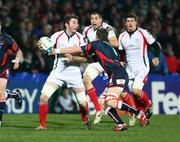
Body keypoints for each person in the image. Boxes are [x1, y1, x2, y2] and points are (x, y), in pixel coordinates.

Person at [49, 28, 148, 131]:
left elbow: (76, 49)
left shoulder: (96, 44)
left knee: (110, 101)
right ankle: (121, 124)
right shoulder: (106, 47)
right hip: (117, 73)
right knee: (102, 102)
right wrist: (74, 58)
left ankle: (139, 114)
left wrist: (56, 50)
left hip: (117, 74)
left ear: (97, 36)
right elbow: (91, 59)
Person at [36, 15, 90, 130]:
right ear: (66, 24)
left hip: (74, 74)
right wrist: (43, 46)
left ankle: (85, 119)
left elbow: (87, 58)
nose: (76, 25)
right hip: (58, 73)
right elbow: (49, 51)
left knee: (82, 103)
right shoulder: (57, 36)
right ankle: (42, 125)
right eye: (74, 23)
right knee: (43, 98)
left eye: (77, 23)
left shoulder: (81, 38)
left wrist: (74, 58)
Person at [118, 13, 160, 126]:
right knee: (134, 93)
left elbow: (156, 45)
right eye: (128, 21)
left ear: (136, 22)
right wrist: (121, 61)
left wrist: (156, 57)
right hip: (129, 69)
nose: (130, 23)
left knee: (136, 91)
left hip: (142, 67)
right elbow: (121, 53)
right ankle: (143, 116)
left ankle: (148, 105)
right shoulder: (122, 36)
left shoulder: (143, 33)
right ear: (125, 23)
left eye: (132, 21)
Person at [82, 11, 119, 124]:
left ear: (101, 20)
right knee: (86, 79)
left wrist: (99, 44)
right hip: (96, 62)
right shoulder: (86, 30)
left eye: (96, 18)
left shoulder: (108, 29)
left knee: (119, 92)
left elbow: (115, 43)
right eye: (92, 18)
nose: (94, 20)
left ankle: (133, 112)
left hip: (108, 61)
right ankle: (98, 109)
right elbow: (86, 46)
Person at [0, 20, 23, 127]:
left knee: (0, 94)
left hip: (3, 68)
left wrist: (17, 60)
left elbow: (18, 51)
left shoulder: (6, 39)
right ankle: (14, 95)